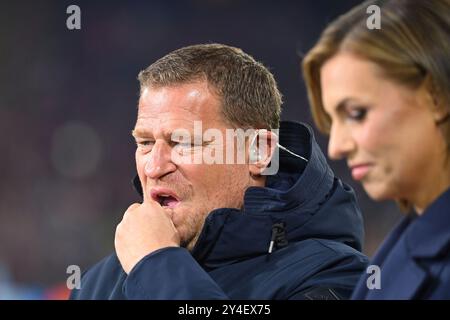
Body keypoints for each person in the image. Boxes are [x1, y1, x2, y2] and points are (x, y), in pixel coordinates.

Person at [71, 43, 367, 300]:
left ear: (259, 152)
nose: (153, 167)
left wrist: (156, 265)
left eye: (183, 142)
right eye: (145, 142)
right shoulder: (97, 284)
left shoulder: (337, 278)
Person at [302, 0, 450, 299]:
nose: (336, 148)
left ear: (436, 96)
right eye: (333, 121)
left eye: (357, 113)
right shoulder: (400, 249)